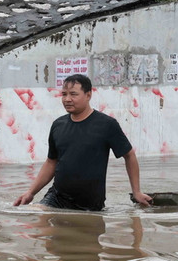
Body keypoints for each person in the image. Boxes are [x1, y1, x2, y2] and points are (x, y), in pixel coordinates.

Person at [14, 73, 153, 210]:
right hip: (57, 197)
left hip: (90, 204)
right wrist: (30, 192)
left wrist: (137, 192)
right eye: (64, 94)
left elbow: (129, 156)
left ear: (88, 95)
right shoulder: (58, 125)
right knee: (37, 218)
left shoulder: (107, 125)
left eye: (73, 94)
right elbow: (51, 162)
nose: (67, 99)